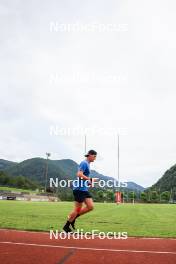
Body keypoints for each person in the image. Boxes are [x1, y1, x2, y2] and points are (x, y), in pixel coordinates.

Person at [63, 149, 97, 233]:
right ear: (90, 155)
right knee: (77, 210)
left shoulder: (88, 164)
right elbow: (79, 174)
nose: (95, 158)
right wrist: (90, 179)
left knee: (90, 206)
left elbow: (82, 177)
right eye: (94, 156)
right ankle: (66, 227)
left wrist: (89, 182)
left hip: (84, 189)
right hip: (79, 189)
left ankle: (73, 218)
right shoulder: (84, 163)